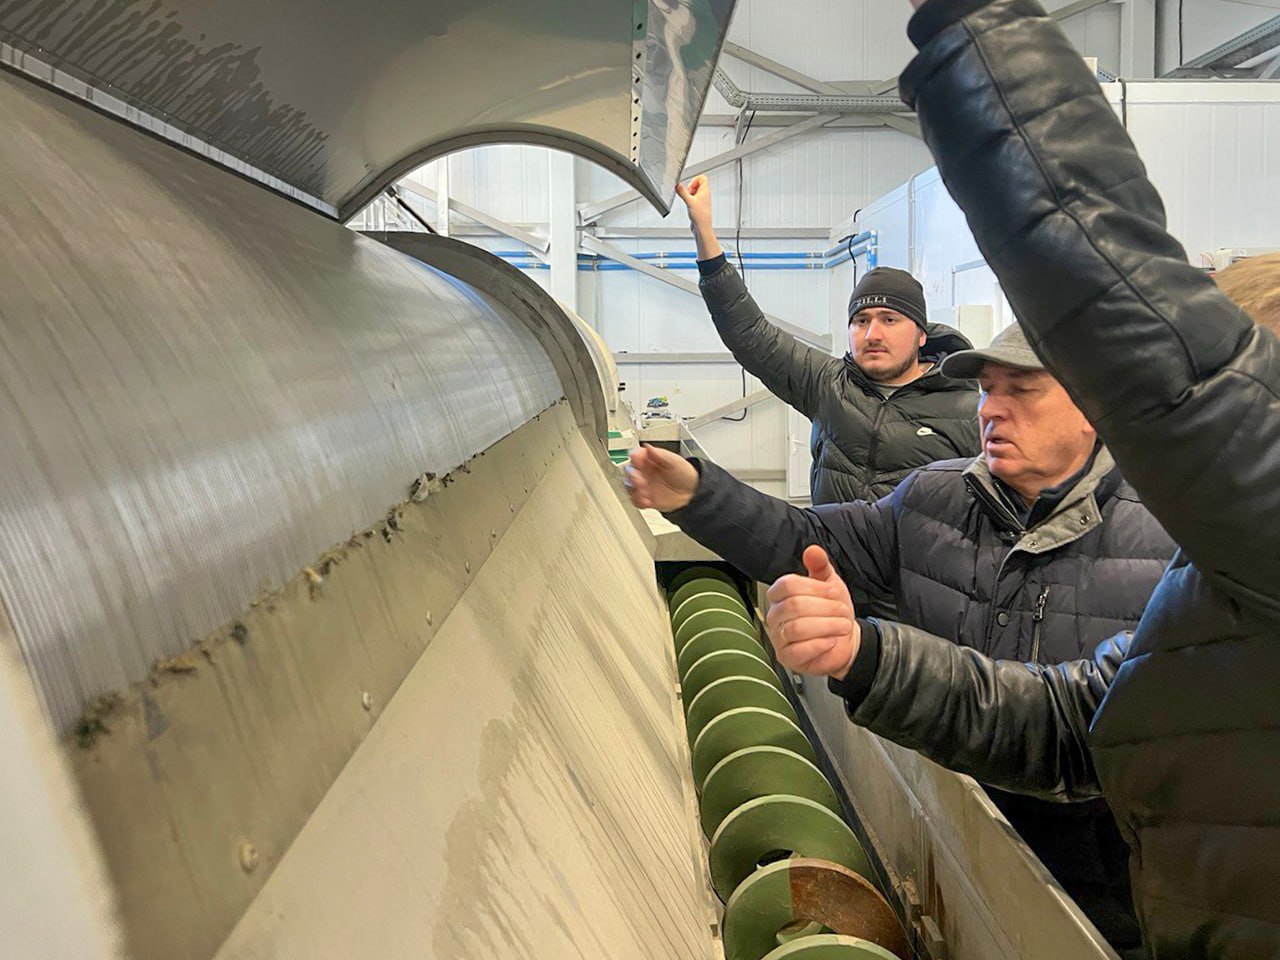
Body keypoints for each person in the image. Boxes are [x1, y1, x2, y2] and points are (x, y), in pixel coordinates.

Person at [756, 0, 1280, 955]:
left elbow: (1104, 282)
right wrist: (865, 656)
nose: (995, 412)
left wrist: (980, 39)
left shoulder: (1185, 536)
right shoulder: (1206, 589)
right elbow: (1073, 723)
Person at [625, 320, 1176, 948]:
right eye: (987, 390)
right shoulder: (933, 500)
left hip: (1102, 898)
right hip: (946, 833)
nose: (991, 410)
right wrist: (699, 496)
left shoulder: (1166, 545)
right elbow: (811, 540)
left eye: (1021, 390)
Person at [675, 174, 980, 508]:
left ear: (921, 334)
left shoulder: (967, 411)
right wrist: (703, 231)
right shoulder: (829, 385)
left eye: (889, 320)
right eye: (861, 321)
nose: (872, 334)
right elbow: (750, 335)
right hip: (831, 544)